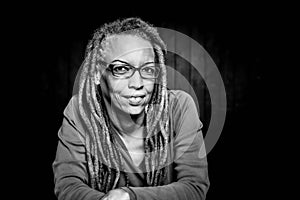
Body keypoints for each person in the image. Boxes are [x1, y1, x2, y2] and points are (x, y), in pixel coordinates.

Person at [52, 17, 209, 200]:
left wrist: (129, 196)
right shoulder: (80, 112)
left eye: (148, 70)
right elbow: (68, 186)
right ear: (97, 74)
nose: (138, 83)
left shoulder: (179, 108)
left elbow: (194, 188)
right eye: (121, 69)